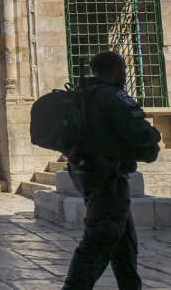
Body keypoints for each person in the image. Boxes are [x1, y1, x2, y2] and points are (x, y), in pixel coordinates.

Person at [62, 51, 161, 290]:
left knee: (124, 243)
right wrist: (153, 138)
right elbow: (141, 135)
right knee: (98, 242)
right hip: (107, 179)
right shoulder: (113, 96)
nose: (125, 74)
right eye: (123, 69)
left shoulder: (82, 95)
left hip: (85, 174)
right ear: (116, 69)